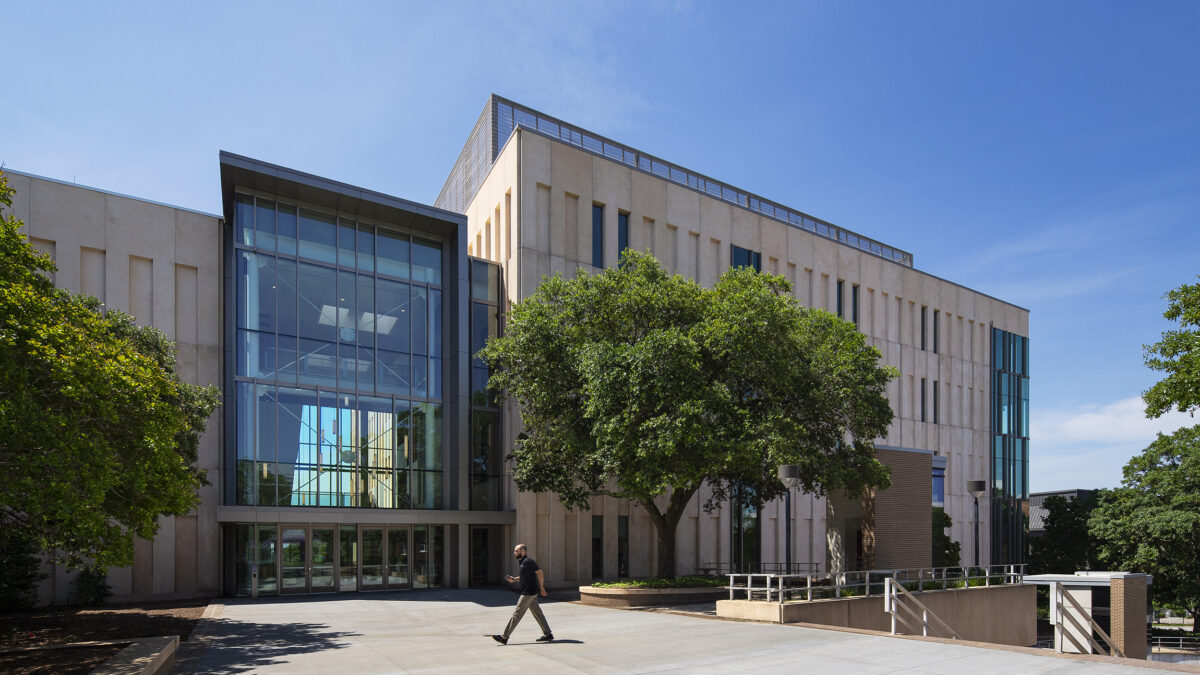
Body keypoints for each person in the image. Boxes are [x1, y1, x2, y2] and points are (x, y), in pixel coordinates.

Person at [492, 543, 554, 644]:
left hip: (528, 593)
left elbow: (540, 572)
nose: (514, 553)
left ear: (523, 551)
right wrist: (514, 579)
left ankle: (504, 637)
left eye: (516, 551)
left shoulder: (528, 561)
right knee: (538, 614)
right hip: (531, 593)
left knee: (517, 614)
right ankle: (548, 634)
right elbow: (525, 576)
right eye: (514, 551)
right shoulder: (522, 562)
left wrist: (542, 587)